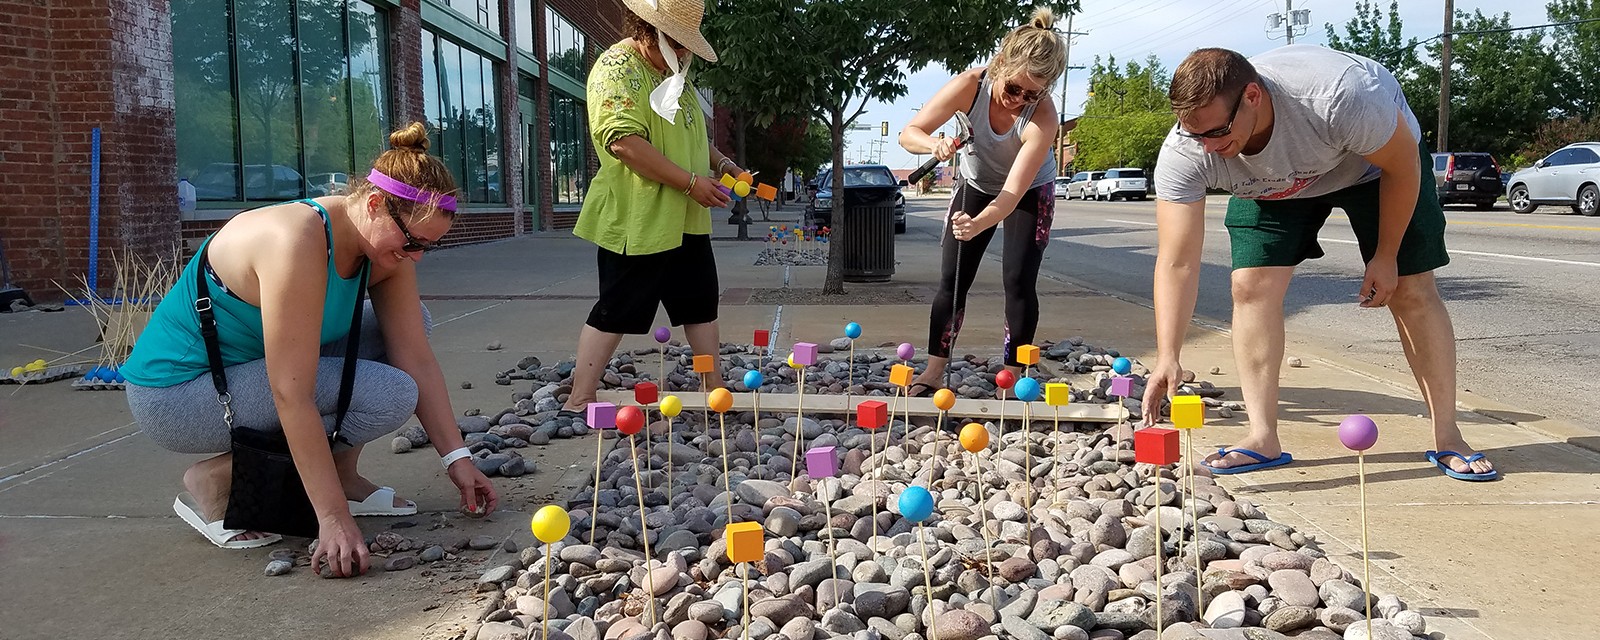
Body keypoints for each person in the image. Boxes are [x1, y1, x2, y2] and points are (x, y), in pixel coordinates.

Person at [123, 122, 500, 576]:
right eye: (413, 242)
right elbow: (290, 392)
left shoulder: (385, 249)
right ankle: (216, 481)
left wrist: (457, 459)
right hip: (178, 397)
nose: (417, 256)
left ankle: (340, 474)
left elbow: (415, 356)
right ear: (376, 204)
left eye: (428, 248)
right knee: (390, 392)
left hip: (249, 372)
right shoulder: (295, 240)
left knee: (409, 325)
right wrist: (333, 519)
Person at [1143, 45, 1497, 481]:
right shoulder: (1189, 150)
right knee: (1250, 286)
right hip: (1277, 185)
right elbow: (1177, 261)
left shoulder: (1339, 97)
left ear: (1252, 96)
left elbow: (1403, 165)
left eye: (1218, 132)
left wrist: (1385, 257)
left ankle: (1449, 436)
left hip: (1372, 168)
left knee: (1409, 288)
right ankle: (1261, 437)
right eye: (1197, 135)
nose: (1210, 148)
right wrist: (1168, 355)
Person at [560, 0, 744, 418]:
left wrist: (722, 164)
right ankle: (581, 397)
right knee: (618, 306)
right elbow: (622, 141)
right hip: (638, 215)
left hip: (686, 216)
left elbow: (694, 135)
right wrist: (692, 182)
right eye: (676, 44)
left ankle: (711, 384)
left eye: (687, 46)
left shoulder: (673, 74)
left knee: (700, 303)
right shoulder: (616, 69)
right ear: (648, 30)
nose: (683, 54)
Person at [897, 7, 1067, 396]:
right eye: (1012, 89)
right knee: (952, 279)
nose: (1018, 100)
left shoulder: (1042, 117)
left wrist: (980, 222)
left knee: (1018, 279)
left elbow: (1010, 194)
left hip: (1026, 191)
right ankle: (934, 371)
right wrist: (933, 144)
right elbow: (910, 133)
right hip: (975, 182)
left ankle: (1015, 378)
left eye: (1031, 94)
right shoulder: (969, 85)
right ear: (1000, 64)